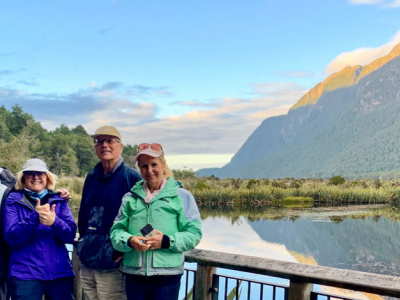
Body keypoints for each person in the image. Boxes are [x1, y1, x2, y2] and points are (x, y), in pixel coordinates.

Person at [110, 143, 202, 300]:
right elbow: (116, 232)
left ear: (163, 164)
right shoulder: (129, 198)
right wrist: (130, 241)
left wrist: (166, 241)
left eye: (154, 164)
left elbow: (194, 234)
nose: (149, 170)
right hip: (134, 275)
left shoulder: (182, 196)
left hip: (167, 277)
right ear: (139, 168)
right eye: (144, 166)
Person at [77, 126, 142, 300]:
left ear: (120, 146)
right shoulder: (91, 176)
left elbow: (144, 219)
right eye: (99, 141)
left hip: (114, 264)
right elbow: (83, 214)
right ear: (95, 147)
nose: (104, 145)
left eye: (110, 140)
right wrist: (82, 242)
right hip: (88, 259)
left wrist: (123, 250)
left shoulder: (132, 177)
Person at [3, 159, 76, 300]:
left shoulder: (59, 199)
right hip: (25, 275)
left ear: (47, 177)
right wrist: (34, 217)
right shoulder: (13, 200)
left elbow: (69, 235)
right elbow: (11, 238)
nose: (35, 177)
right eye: (30, 173)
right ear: (23, 178)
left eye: (40, 173)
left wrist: (55, 222)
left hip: (59, 273)